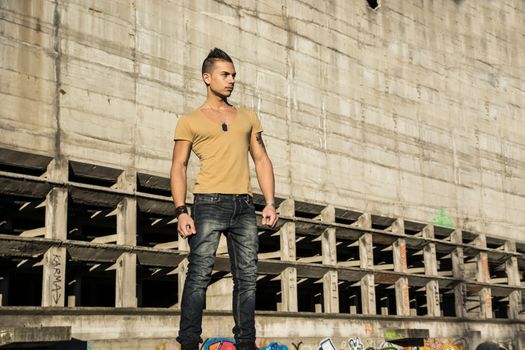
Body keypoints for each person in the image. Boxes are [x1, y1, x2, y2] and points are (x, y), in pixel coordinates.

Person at [170, 48, 278, 350]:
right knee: (199, 274)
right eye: (225, 75)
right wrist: (181, 210)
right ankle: (189, 343)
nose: (231, 80)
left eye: (234, 76)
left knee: (247, 278)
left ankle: (246, 344)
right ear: (207, 78)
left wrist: (269, 202)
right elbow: (178, 165)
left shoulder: (247, 118)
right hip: (207, 203)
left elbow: (261, 158)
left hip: (244, 206)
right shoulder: (189, 120)